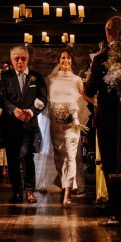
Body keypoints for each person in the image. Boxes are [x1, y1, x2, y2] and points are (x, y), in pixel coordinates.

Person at [84, 16, 121, 221]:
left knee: (110, 162)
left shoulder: (100, 58)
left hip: (108, 118)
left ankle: (116, 207)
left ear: (109, 33)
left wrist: (87, 83)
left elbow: (90, 89)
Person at [0, 46, 47, 203]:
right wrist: (14, 110)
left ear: (28, 59)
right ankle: (16, 190)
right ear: (12, 60)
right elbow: (1, 98)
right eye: (16, 59)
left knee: (26, 155)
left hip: (28, 124)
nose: (20, 61)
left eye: (23, 58)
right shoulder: (4, 77)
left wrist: (30, 112)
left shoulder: (36, 78)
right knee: (12, 157)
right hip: (10, 124)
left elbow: (42, 99)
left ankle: (29, 190)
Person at [45, 49, 89, 206]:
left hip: (72, 124)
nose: (66, 60)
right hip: (56, 124)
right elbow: (47, 101)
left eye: (68, 58)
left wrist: (77, 119)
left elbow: (82, 101)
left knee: (71, 157)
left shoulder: (77, 80)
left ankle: (67, 192)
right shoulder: (50, 79)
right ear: (58, 61)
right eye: (63, 58)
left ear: (72, 61)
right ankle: (64, 184)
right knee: (59, 157)